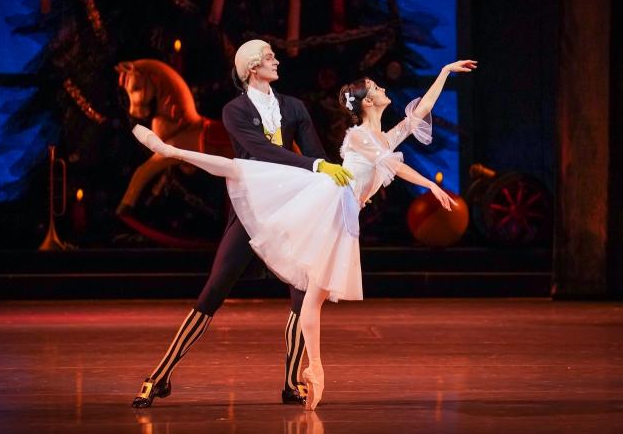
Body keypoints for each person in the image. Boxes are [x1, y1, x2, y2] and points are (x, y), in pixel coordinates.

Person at [133, 59, 476, 410]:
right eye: (376, 87)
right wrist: (431, 187)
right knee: (243, 170)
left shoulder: (383, 138)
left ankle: (309, 371)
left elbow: (419, 113)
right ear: (368, 102)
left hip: (341, 213)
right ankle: (171, 150)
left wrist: (444, 72)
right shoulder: (359, 136)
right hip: (326, 200)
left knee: (312, 299)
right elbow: (393, 165)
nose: (383, 88)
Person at [131, 40, 353, 408]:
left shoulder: (293, 107)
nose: (276, 60)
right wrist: (316, 166)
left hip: (290, 206)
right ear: (251, 67)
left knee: (302, 293)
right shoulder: (234, 110)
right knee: (214, 291)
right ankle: (159, 375)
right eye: (269, 57)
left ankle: (290, 382)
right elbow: (263, 151)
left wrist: (337, 183)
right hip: (251, 206)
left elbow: (316, 155)